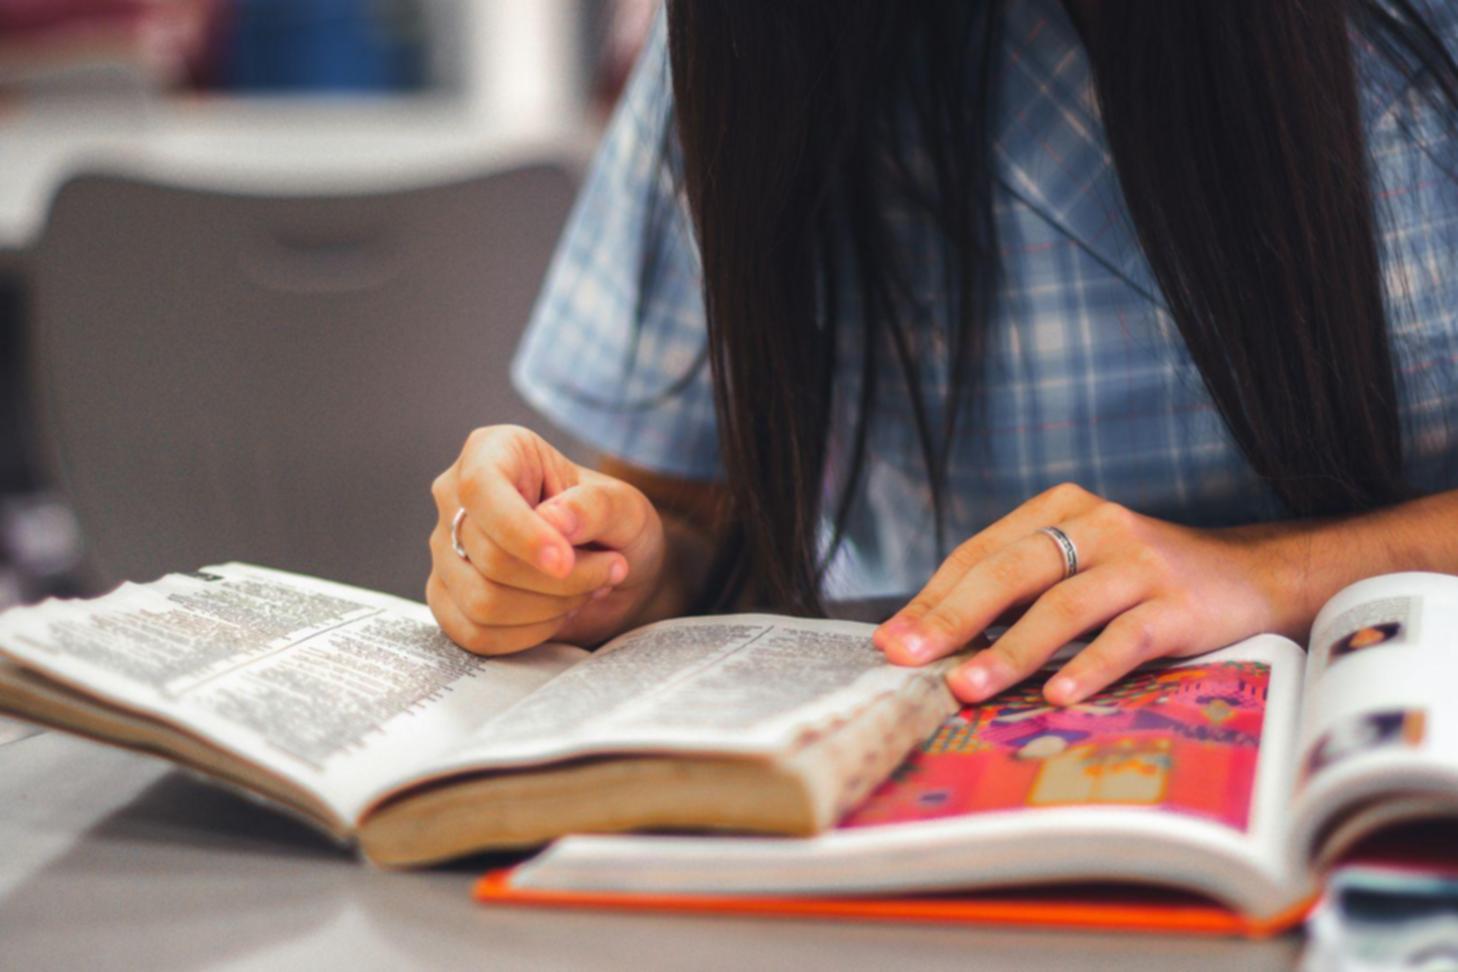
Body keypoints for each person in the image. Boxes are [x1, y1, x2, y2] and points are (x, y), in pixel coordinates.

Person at [428, 0, 1458, 707]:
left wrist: (1276, 573)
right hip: (979, 812)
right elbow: (691, 519)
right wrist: (600, 562)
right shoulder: (750, 47)